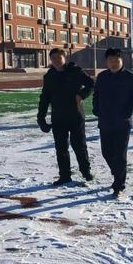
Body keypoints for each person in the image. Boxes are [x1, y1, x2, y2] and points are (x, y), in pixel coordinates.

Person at [37, 48, 94, 186]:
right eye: (53, 58)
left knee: (79, 145)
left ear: (65, 57)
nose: (56, 61)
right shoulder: (49, 76)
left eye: (58, 57)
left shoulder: (75, 71)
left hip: (75, 115)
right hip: (58, 117)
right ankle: (65, 175)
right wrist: (41, 118)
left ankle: (86, 172)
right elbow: (45, 97)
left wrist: (81, 95)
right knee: (61, 147)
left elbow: (91, 84)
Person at [93, 48, 133, 198]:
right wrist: (97, 109)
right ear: (107, 61)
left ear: (122, 61)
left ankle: (119, 184)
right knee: (106, 152)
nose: (113, 63)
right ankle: (117, 174)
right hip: (106, 121)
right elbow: (96, 95)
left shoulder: (129, 77)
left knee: (120, 154)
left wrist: (127, 112)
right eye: (110, 60)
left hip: (122, 123)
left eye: (116, 60)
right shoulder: (102, 77)